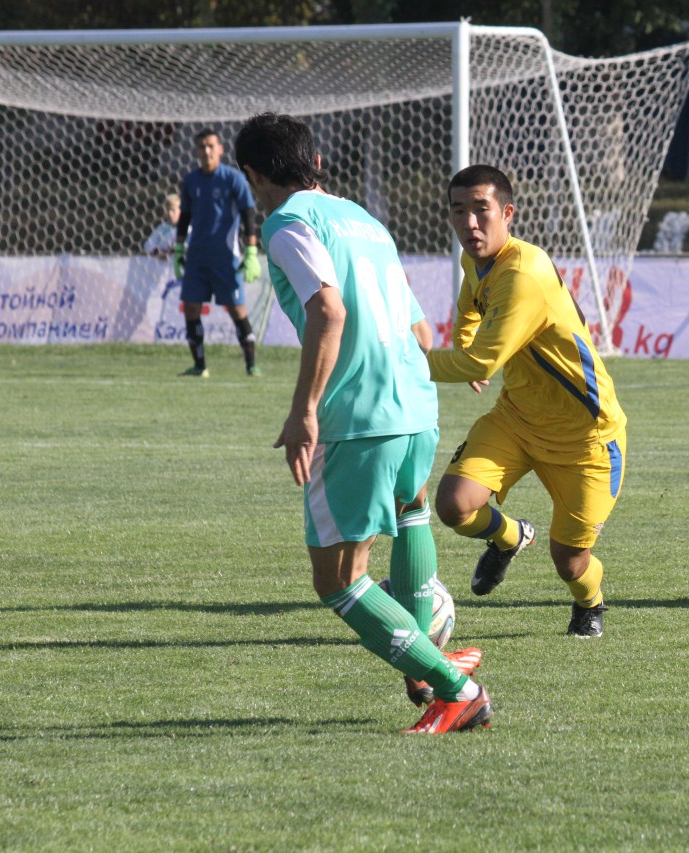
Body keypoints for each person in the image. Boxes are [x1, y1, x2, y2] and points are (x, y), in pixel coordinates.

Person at [233, 112, 490, 735]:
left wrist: (304, 410)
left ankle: (455, 688)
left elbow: (328, 310)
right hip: (414, 402)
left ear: (252, 175)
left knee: (338, 580)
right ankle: (426, 663)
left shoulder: (287, 222)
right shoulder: (366, 221)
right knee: (411, 512)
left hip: (360, 413)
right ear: (317, 163)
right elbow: (418, 327)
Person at [426, 164, 627, 638]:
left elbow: (480, 363)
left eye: (481, 210)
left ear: (507, 213)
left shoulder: (523, 272)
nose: (470, 223)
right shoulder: (475, 260)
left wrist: (403, 361)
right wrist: (464, 339)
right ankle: (510, 537)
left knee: (570, 561)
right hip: (517, 417)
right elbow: (469, 305)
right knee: (454, 505)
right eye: (459, 211)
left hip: (587, 438)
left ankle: (590, 603)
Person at [175, 129, 262, 377]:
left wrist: (251, 251)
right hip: (197, 257)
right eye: (202, 146)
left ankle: (251, 365)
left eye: (211, 146)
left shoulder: (234, 179)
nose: (206, 151)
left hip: (225, 257)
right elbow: (185, 217)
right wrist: (179, 249)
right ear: (196, 151)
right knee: (191, 308)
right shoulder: (191, 181)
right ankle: (199, 366)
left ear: (221, 149)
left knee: (237, 309)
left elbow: (248, 214)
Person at [143, 193, 181, 259]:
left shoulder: (189, 229)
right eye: (168, 210)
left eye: (173, 210)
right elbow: (147, 245)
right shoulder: (162, 227)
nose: (170, 213)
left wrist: (174, 250)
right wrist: (158, 252)